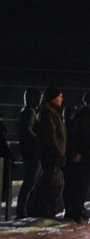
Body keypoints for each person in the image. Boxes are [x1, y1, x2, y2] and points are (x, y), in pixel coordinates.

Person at [65, 92, 90, 224]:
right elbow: (71, 137)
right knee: (81, 187)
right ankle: (78, 214)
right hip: (85, 157)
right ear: (88, 103)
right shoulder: (80, 117)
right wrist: (75, 153)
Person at [31, 86, 67, 219]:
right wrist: (58, 153)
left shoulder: (52, 112)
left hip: (54, 155)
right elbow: (50, 136)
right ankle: (45, 212)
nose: (62, 99)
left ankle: (48, 211)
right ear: (53, 98)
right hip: (51, 156)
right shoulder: (47, 113)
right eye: (59, 96)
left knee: (53, 185)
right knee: (49, 185)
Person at [16, 88, 43, 219]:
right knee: (29, 184)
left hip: (29, 153)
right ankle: (22, 212)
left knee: (30, 183)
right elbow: (28, 131)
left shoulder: (26, 111)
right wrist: (39, 140)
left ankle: (25, 211)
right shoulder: (30, 112)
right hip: (32, 154)